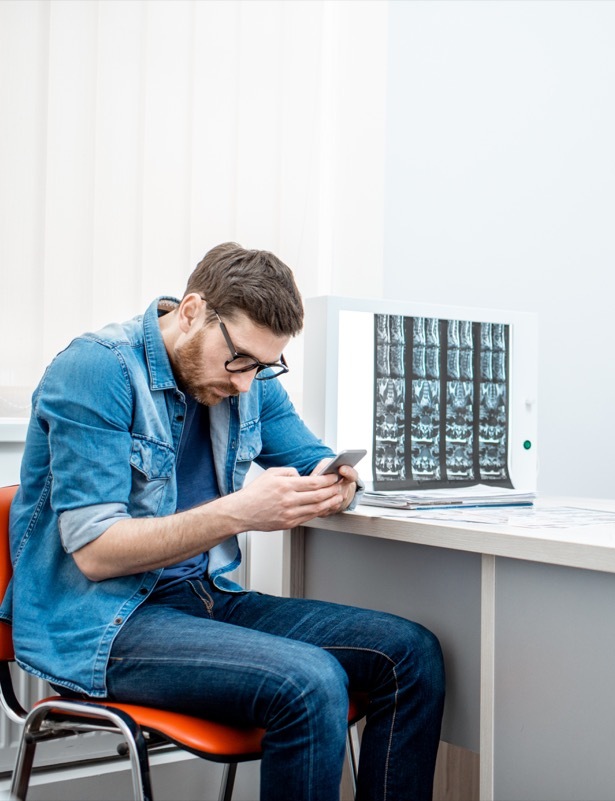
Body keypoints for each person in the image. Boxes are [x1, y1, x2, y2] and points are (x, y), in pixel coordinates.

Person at [0, 243, 445, 800]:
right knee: (308, 683)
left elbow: (311, 456)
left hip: (202, 598)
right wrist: (241, 511)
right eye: (239, 361)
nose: (244, 383)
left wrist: (337, 482)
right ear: (190, 312)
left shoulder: (248, 376)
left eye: (263, 366)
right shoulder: (97, 369)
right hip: (99, 623)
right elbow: (95, 551)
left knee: (411, 654)